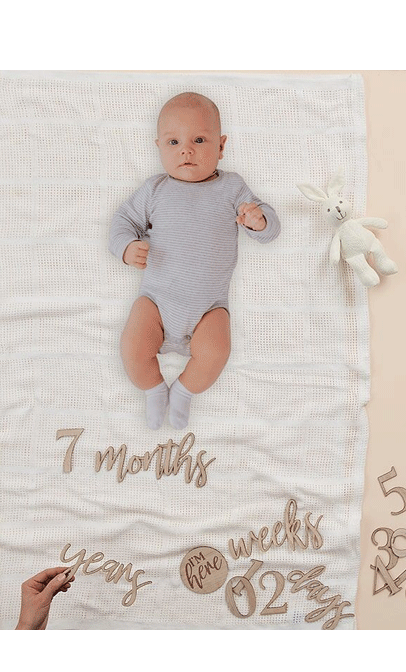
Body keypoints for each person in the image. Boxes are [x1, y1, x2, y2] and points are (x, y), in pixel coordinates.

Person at [109, 92, 281, 431]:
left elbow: (270, 227)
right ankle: (154, 389)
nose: (186, 150)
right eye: (174, 142)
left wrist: (258, 221)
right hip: (156, 302)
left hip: (209, 309)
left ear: (221, 146)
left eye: (199, 140)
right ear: (159, 147)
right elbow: (122, 221)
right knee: (132, 347)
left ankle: (184, 391)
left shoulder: (232, 188)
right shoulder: (155, 189)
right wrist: (126, 247)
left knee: (216, 353)